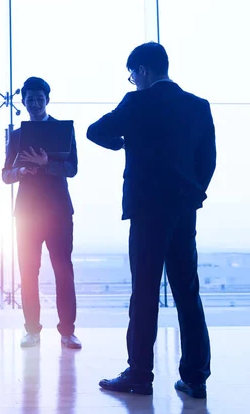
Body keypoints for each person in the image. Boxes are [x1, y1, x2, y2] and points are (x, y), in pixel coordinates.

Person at [87, 42, 216, 399]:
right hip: (183, 209)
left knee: (144, 291)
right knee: (187, 292)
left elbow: (95, 131)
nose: (132, 81)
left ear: (142, 70)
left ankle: (140, 374)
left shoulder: (136, 103)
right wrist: (192, 192)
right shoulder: (197, 105)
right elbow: (208, 160)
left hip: (147, 209)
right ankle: (195, 377)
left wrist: (123, 142)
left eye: (132, 74)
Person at [2, 77, 81, 349]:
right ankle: (32, 331)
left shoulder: (63, 131)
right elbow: (5, 175)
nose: (35, 103)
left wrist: (46, 164)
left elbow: (72, 169)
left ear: (47, 100)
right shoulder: (16, 136)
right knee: (28, 272)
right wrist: (21, 171)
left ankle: (67, 331)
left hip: (58, 210)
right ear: (23, 102)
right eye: (29, 99)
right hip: (27, 213)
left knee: (63, 270)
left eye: (39, 98)